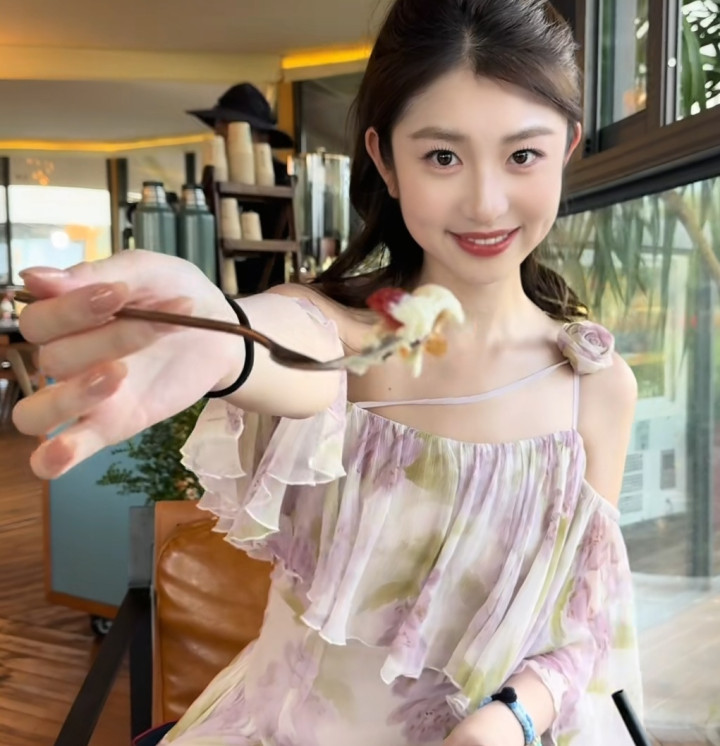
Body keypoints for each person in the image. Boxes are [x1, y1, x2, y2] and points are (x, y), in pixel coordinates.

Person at [12, 1, 643, 744]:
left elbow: (586, 626)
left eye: (522, 155)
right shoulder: (344, 335)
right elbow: (296, 353)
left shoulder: (594, 386)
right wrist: (223, 340)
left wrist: (510, 719)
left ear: (567, 148)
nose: (485, 201)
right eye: (443, 157)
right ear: (386, 160)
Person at [189, 82, 295, 291]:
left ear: (262, 137)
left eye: (233, 130)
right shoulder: (213, 180)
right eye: (219, 127)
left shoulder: (284, 183)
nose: (221, 135)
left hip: (271, 294)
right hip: (217, 292)